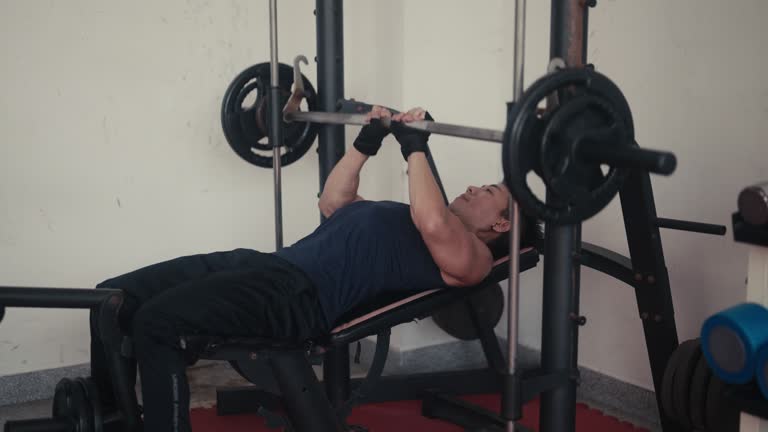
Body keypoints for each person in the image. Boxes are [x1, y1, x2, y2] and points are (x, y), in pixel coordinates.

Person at [90, 106, 538, 431]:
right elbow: (333, 202)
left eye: (490, 191)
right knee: (110, 297)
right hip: (265, 265)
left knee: (157, 323)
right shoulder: (409, 216)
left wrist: (415, 148)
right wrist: (366, 144)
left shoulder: (472, 258)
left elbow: (434, 219)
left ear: (501, 223)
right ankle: (108, 418)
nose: (474, 186)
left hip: (295, 298)